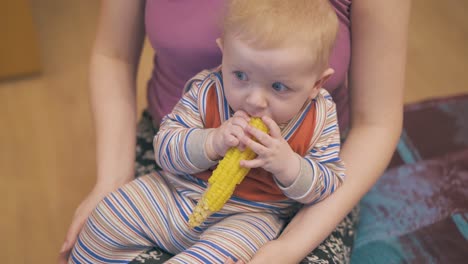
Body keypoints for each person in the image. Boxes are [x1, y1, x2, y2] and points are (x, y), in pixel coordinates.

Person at [59, 0, 410, 263]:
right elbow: (168, 146)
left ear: (318, 84)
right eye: (239, 76)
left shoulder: (319, 118)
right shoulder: (206, 89)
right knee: (106, 219)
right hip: (176, 186)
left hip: (255, 214)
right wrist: (209, 141)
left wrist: (286, 165)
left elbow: (323, 182)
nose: (255, 100)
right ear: (222, 55)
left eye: (279, 87)